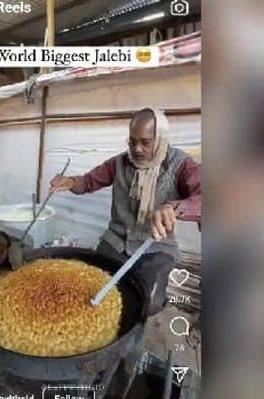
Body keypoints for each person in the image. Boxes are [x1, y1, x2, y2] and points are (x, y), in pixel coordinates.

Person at [50, 108, 201, 314]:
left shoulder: (181, 165)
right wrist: (70, 181)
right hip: (116, 241)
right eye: (132, 141)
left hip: (156, 246)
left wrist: (175, 208)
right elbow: (89, 181)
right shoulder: (120, 162)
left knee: (146, 302)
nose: (137, 149)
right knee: (94, 287)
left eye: (145, 142)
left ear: (161, 139)